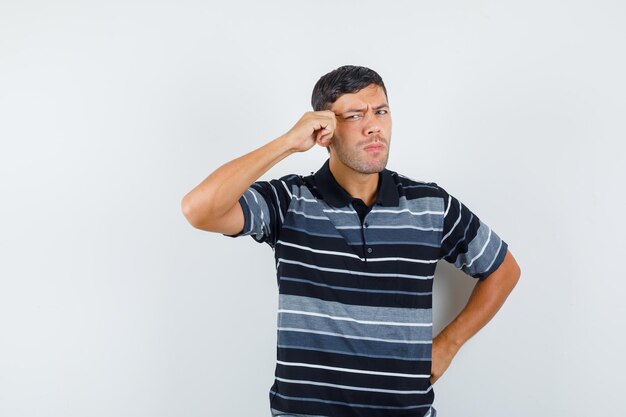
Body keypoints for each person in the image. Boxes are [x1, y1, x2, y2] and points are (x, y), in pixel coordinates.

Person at [181, 65, 521, 417]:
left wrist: (449, 344)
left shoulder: (431, 205)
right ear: (324, 130)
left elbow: (503, 269)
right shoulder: (290, 200)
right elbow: (198, 209)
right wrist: (287, 143)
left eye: (381, 112)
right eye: (355, 115)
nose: (374, 126)